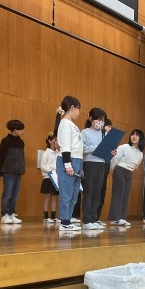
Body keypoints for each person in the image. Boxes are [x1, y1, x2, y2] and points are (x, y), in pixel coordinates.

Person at [55, 96, 83, 233]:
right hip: (68, 160)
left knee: (73, 195)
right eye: (78, 109)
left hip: (77, 160)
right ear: (72, 108)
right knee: (66, 195)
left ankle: (68, 220)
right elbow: (66, 146)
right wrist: (68, 165)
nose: (79, 113)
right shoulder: (65, 124)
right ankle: (64, 223)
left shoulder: (71, 124)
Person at [80, 107, 111, 230]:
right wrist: (97, 147)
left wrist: (112, 153)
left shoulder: (105, 134)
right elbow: (82, 148)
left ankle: (94, 218)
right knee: (89, 192)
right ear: (91, 119)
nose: (100, 122)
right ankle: (87, 220)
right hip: (89, 164)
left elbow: (107, 151)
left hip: (101, 164)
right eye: (98, 119)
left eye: (103, 120)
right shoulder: (84, 132)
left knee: (98, 192)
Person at [108, 129, 144, 226]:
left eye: (136, 135)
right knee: (118, 194)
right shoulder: (124, 147)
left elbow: (136, 165)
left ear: (141, 138)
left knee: (125, 195)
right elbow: (115, 159)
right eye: (132, 134)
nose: (134, 137)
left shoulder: (140, 153)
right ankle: (114, 218)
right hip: (120, 170)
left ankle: (122, 217)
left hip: (129, 172)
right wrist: (113, 170)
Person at [0, 119, 25, 224]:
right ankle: (4, 215)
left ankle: (12, 213)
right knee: (7, 194)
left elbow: (21, 157)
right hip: (8, 171)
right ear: (15, 130)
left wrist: (22, 169)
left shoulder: (21, 142)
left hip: (18, 172)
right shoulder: (5, 141)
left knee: (15, 195)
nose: (23, 132)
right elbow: (1, 156)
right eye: (21, 130)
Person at [40, 132, 60, 223]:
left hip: (56, 177)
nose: (57, 142)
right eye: (55, 140)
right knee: (47, 196)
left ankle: (53, 216)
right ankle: (46, 217)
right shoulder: (46, 153)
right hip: (48, 177)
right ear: (49, 141)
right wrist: (53, 168)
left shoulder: (58, 153)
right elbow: (43, 166)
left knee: (55, 196)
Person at [96, 118, 113, 224]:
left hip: (105, 170)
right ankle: (92, 218)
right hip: (98, 168)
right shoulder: (98, 137)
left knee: (102, 194)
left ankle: (97, 218)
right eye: (108, 126)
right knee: (96, 194)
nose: (110, 128)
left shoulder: (110, 140)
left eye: (111, 127)